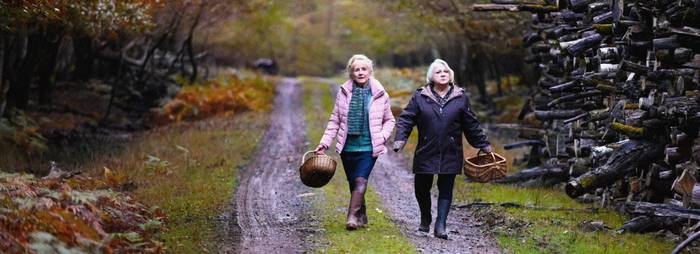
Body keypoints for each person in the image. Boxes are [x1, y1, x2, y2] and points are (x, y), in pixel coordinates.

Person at [392, 59, 492, 239]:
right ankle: (425, 217)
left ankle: (441, 225)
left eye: (446, 71)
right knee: (421, 188)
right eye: (438, 72)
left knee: (446, 188)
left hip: (451, 150)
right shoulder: (420, 96)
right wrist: (400, 138)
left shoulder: (460, 97)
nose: (443, 74)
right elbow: (406, 118)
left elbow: (471, 124)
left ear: (450, 75)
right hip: (426, 149)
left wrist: (484, 144)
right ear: (432, 76)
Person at [315, 54, 396, 230]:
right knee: (353, 182)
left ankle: (351, 217)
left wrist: (382, 136)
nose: (360, 72)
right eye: (356, 70)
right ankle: (362, 213)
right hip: (348, 147)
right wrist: (324, 143)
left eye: (363, 69)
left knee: (361, 180)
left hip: (369, 146)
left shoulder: (380, 94)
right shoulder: (344, 93)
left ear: (370, 71)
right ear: (351, 73)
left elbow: (390, 120)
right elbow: (335, 120)